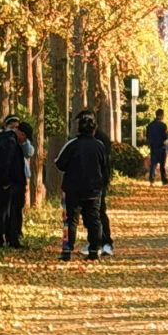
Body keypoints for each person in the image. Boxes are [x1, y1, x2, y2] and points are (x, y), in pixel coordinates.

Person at [55, 111, 108, 262]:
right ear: (94, 129)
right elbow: (105, 167)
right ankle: (94, 250)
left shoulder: (72, 144)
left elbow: (59, 163)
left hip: (73, 189)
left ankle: (67, 251)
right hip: (94, 190)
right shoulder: (99, 146)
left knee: (70, 220)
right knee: (93, 220)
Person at [0, 116, 27, 249]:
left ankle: (10, 239)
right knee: (2, 213)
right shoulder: (9, 142)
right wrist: (5, 182)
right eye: (25, 138)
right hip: (3, 183)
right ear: (20, 133)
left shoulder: (9, 140)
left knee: (9, 213)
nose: (24, 141)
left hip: (5, 183)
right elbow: (4, 163)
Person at [146, 108, 168, 185]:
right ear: (161, 115)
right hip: (161, 147)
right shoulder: (163, 125)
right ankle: (163, 179)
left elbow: (147, 136)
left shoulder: (150, 125)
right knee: (162, 164)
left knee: (153, 164)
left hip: (153, 147)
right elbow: (165, 137)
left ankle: (151, 179)